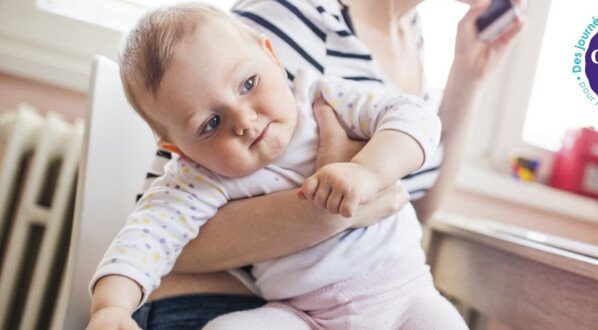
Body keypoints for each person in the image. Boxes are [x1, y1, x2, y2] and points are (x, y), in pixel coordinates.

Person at [126, 0, 525, 328]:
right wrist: (333, 209)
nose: (241, 121)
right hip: (224, 299)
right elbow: (169, 236)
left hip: (372, 295)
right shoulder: (288, 16)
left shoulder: (412, 36)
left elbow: (410, 201)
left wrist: (467, 77)